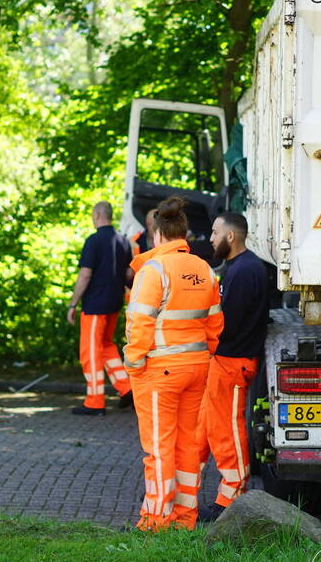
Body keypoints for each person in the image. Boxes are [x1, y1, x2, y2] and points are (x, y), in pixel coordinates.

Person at [124, 196, 223, 531]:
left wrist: (134, 363)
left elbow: (140, 322)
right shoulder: (204, 269)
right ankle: (184, 518)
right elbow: (214, 323)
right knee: (186, 446)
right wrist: (204, 355)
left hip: (159, 371)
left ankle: (156, 520)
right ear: (185, 234)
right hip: (197, 368)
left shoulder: (153, 270)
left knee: (158, 448)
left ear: (157, 234)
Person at [196, 212, 269, 520]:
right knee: (207, 427)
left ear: (230, 236)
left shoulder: (245, 271)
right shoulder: (240, 267)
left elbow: (229, 324)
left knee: (227, 429)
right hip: (224, 362)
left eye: (214, 233)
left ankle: (232, 500)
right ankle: (185, 493)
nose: (210, 239)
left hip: (233, 363)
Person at [66, 201, 134, 416]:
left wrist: (73, 303)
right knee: (106, 346)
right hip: (114, 304)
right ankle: (126, 388)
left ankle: (94, 401)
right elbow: (129, 275)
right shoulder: (123, 242)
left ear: (96, 215)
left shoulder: (93, 241)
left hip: (95, 306)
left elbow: (85, 274)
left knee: (90, 352)